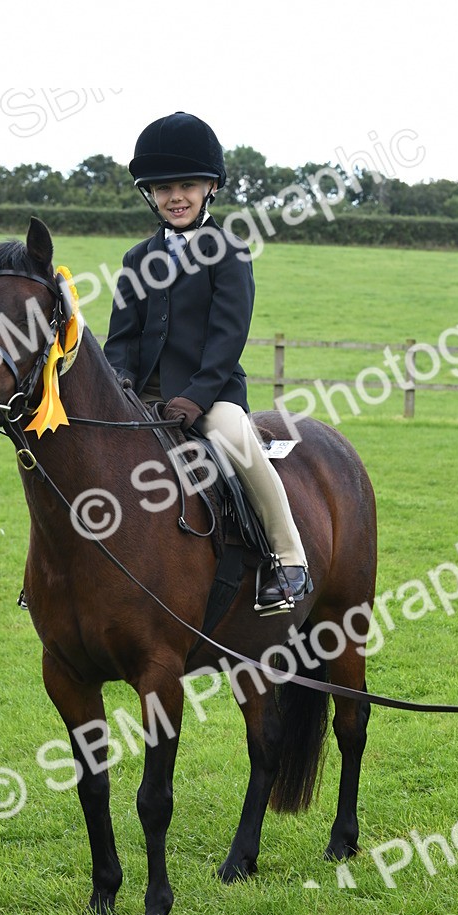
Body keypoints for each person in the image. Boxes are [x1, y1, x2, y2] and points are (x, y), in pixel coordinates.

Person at [103, 111, 310, 612]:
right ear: (149, 194)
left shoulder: (229, 253)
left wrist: (195, 398)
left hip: (210, 394)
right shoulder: (136, 259)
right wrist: (119, 385)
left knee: (236, 437)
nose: (175, 197)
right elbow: (121, 339)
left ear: (210, 188)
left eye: (187, 185)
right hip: (142, 396)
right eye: (163, 188)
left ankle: (289, 560)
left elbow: (227, 339)